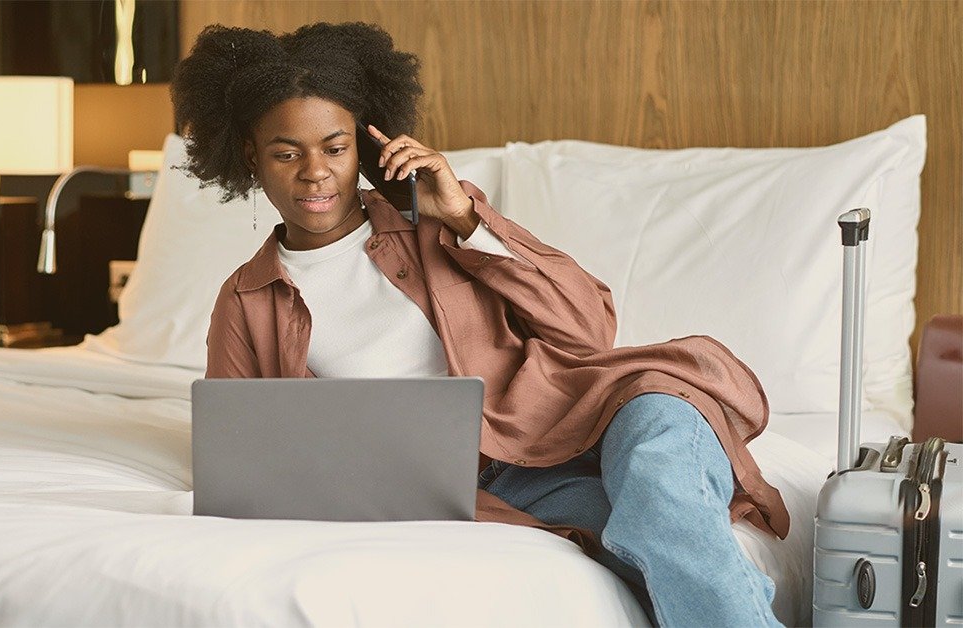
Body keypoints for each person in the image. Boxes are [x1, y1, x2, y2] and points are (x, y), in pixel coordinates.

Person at [172, 21, 788, 627]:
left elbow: (586, 328)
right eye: (286, 153)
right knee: (660, 531)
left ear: (361, 145)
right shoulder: (246, 300)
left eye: (334, 148)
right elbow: (238, 460)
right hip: (494, 487)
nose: (315, 172)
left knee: (660, 485)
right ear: (250, 155)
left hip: (600, 413)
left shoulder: (437, 220)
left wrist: (465, 217)